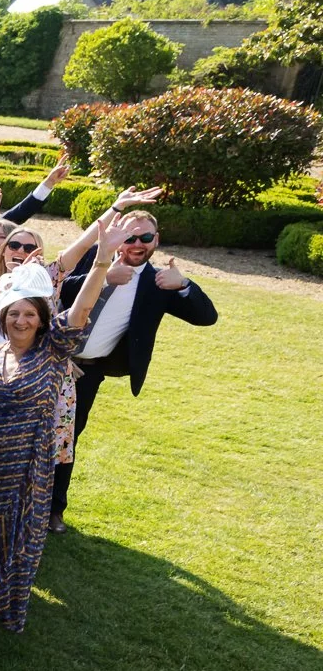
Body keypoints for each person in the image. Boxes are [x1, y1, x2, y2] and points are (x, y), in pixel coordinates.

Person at [0, 223, 128, 655]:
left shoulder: (53, 352)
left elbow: (81, 310)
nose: (20, 320)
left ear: (41, 320)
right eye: (14, 313)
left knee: (5, 539)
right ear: (4, 317)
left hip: (24, 469)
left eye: (29, 314)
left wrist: (102, 258)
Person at [52, 194, 217, 528]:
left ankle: (53, 509)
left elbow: (207, 317)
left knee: (67, 438)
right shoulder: (95, 261)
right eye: (130, 237)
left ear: (155, 241)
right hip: (49, 358)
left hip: (87, 370)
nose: (137, 243)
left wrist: (184, 284)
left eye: (145, 237)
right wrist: (100, 279)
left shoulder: (160, 283)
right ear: (118, 237)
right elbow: (55, 290)